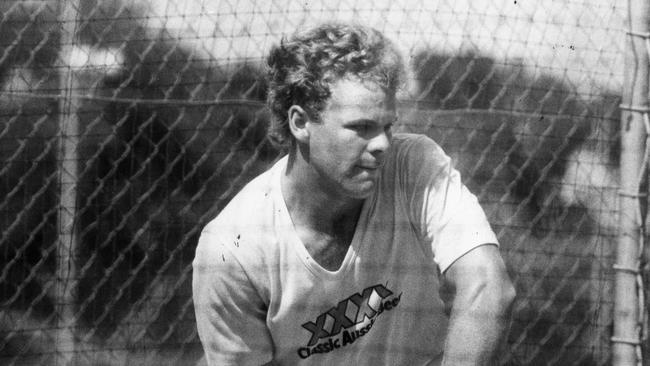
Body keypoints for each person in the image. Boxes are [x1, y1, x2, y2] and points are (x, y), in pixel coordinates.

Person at [192, 22, 515, 366]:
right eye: (361, 127)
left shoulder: (414, 166)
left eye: (387, 125)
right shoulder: (231, 250)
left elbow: (489, 287)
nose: (382, 144)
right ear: (300, 123)